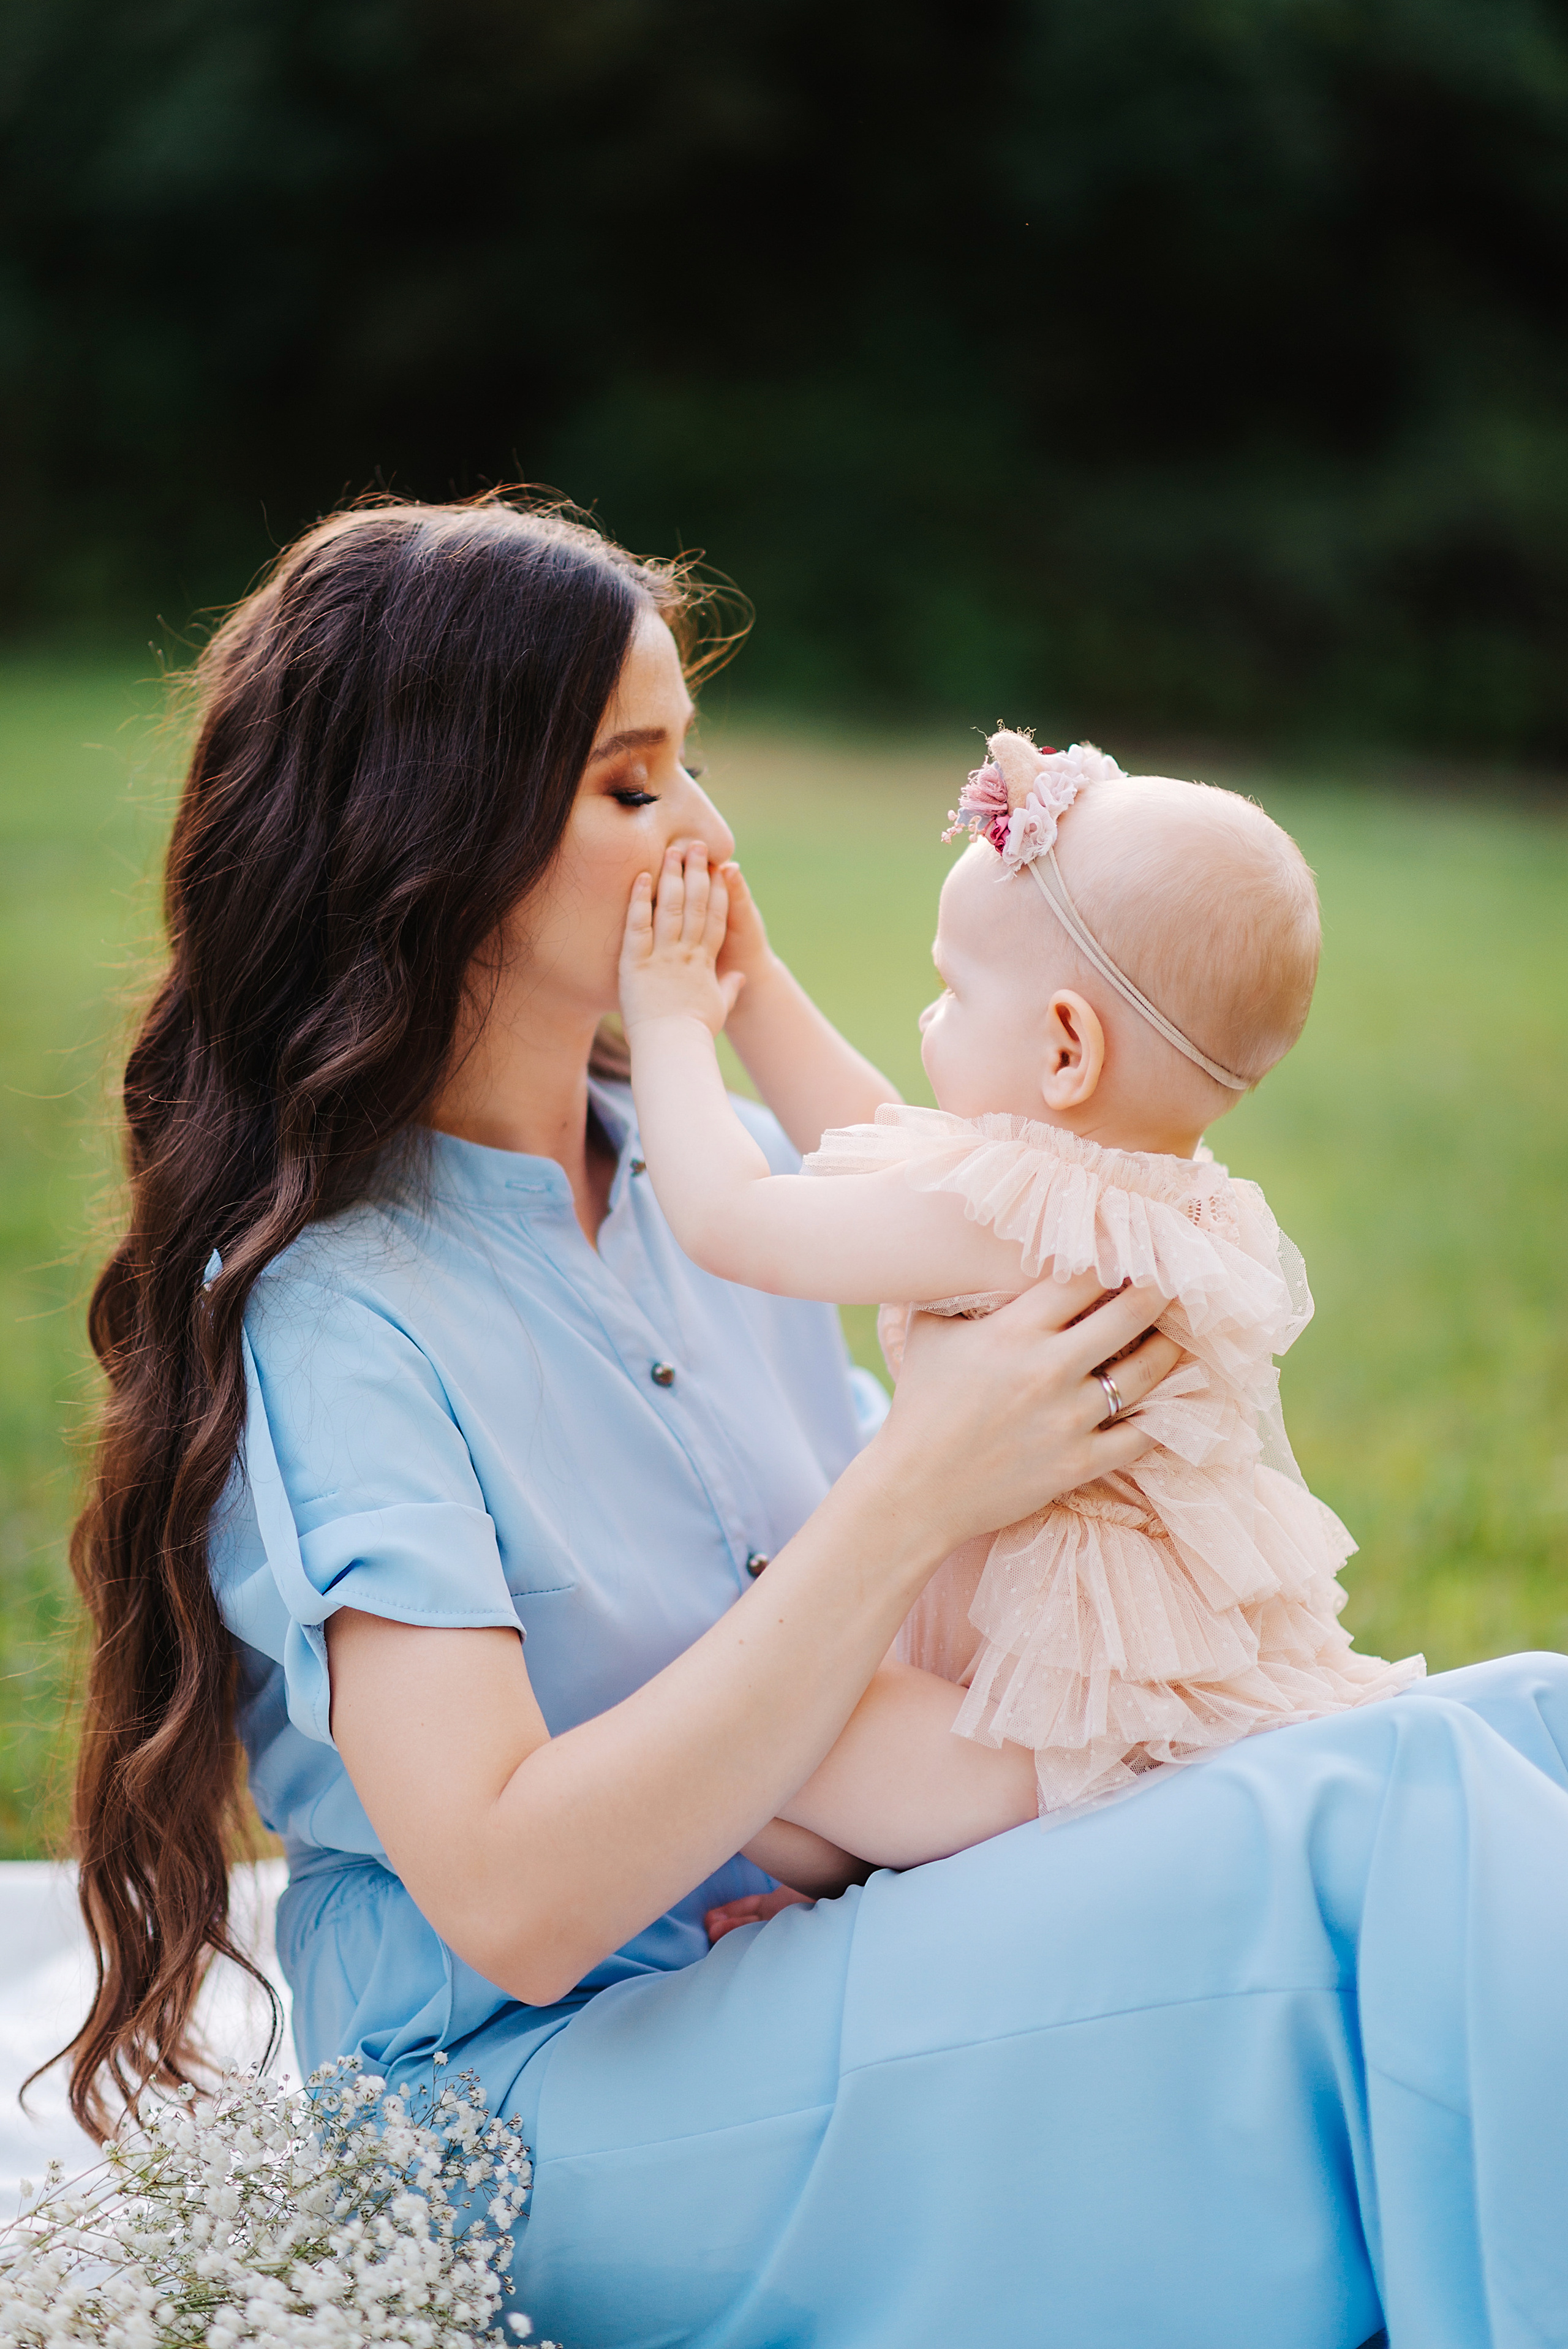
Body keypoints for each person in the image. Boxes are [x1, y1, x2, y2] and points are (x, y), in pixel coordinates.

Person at [60, 492, 1568, 2349]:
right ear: (425, 838)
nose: (706, 832)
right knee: (1396, 1814)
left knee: (1536, 1721)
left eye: (688, 763)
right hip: (548, 2100)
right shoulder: (340, 1309)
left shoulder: (734, 1177)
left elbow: (872, 1687)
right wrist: (920, 1490)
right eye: (631, 786)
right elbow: (520, 1898)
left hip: (803, 1950)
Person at [615, 728, 1422, 1833]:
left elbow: (733, 1218)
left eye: (951, 993)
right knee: (799, 1777)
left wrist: (668, 1019)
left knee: (755, 1749)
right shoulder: (1129, 1196)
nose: (925, 1017)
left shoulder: (1041, 1221)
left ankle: (922, 1897)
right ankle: (892, 1884)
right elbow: (877, 1141)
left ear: (1065, 1053)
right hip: (1091, 1710)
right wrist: (752, 985)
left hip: (1065, 1749)